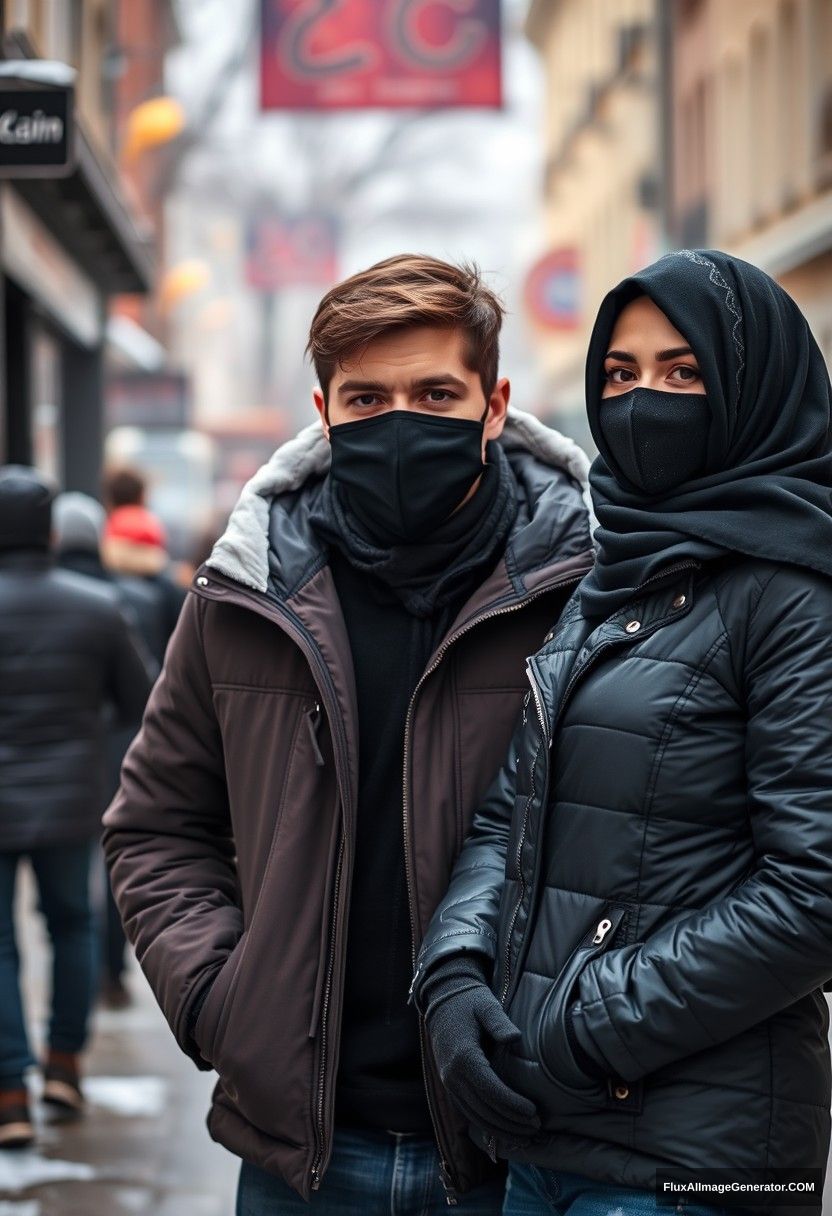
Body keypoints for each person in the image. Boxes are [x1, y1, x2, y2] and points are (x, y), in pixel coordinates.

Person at [102, 254, 594, 1214]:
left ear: (494, 406)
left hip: (523, 1147)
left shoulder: (587, 591)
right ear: (322, 413)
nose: (400, 421)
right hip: (304, 1157)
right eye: (366, 398)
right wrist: (220, 1000)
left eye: (434, 393)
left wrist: (566, 1034)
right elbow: (157, 823)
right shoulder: (248, 594)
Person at [411, 248, 832, 1216]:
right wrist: (456, 976)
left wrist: (580, 1026)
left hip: (696, 1159)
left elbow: (813, 890)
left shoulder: (794, 592)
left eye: (682, 372)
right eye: (620, 373)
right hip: (549, 1137)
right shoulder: (618, 572)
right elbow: (511, 813)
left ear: (752, 387)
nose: (645, 400)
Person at [0, 467, 153, 1148]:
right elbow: (141, 702)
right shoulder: (96, 606)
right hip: (70, 801)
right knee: (72, 923)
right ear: (50, 530)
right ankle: (64, 1065)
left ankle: (8, 1092)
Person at [53, 492, 163, 1008]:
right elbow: (142, 691)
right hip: (112, 751)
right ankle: (108, 977)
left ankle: (13, 1073)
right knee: (107, 875)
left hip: (36, 770)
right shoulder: (117, 599)